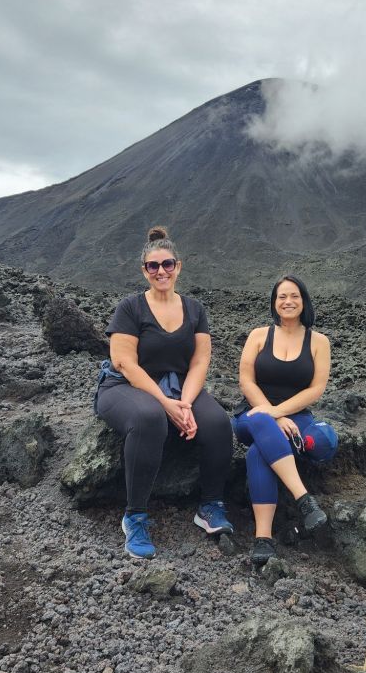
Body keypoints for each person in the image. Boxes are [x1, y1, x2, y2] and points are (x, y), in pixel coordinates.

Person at [95, 226, 234, 559]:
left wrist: (184, 403)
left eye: (167, 264)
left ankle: (210, 506)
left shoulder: (194, 309)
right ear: (144, 270)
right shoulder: (130, 308)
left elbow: (199, 361)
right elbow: (124, 363)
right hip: (125, 385)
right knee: (150, 417)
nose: (161, 271)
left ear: (178, 267)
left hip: (178, 385)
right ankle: (134, 517)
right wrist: (166, 405)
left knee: (217, 423)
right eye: (153, 266)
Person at [233, 274, 338, 566]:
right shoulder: (258, 336)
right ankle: (304, 499)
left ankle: (263, 539)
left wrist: (279, 413)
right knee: (261, 422)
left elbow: (316, 389)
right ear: (274, 302)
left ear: (304, 301)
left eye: (294, 296)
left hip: (296, 418)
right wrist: (273, 414)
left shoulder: (318, 342)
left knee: (259, 452)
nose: (288, 301)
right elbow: (246, 381)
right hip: (252, 414)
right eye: (282, 296)